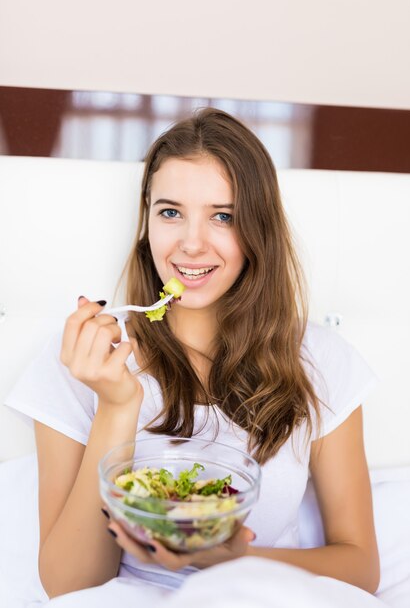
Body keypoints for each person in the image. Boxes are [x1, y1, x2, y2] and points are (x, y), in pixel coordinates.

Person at [4, 108, 382, 606]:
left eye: (222, 216)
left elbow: (359, 567)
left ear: (257, 229)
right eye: (170, 212)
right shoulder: (82, 359)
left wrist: (229, 559)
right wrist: (117, 407)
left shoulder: (321, 361)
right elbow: (70, 584)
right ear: (146, 221)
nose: (191, 243)